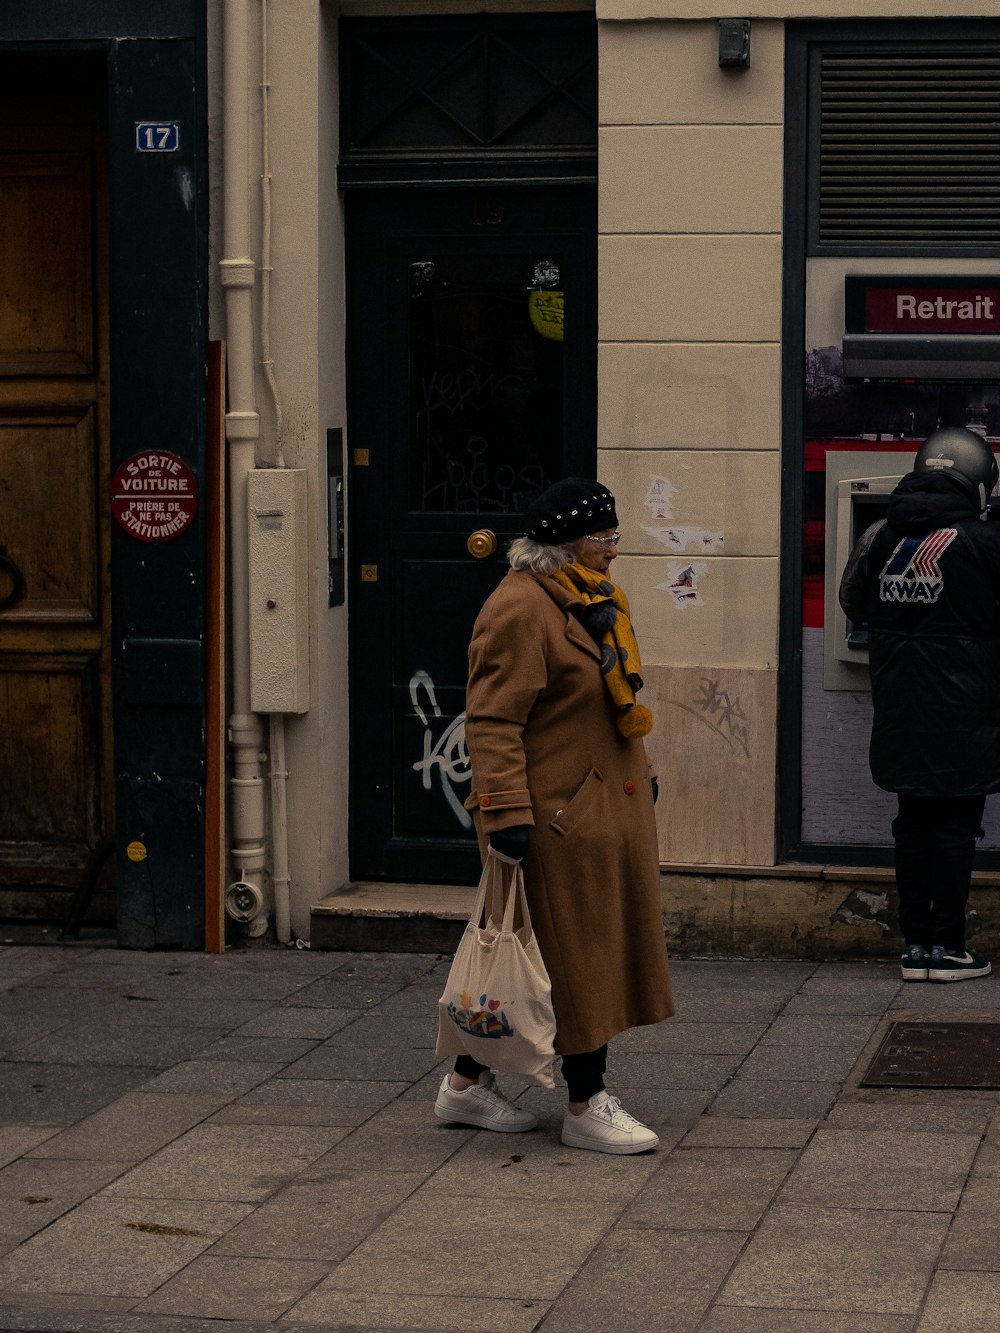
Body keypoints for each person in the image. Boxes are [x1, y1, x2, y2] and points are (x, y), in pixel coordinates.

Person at [434, 478, 674, 1153]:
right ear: (566, 542)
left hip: (595, 807)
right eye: (604, 539)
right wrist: (508, 813)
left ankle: (463, 1087)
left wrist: (643, 772)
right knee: (578, 962)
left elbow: (605, 703)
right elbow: (491, 720)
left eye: (615, 536)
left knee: (546, 958)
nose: (613, 551)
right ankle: (585, 1101)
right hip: (552, 819)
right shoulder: (520, 608)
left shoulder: (591, 599)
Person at [839, 426, 1000, 983]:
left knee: (912, 826)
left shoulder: (882, 532)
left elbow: (850, 598)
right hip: (967, 710)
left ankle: (916, 948)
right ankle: (949, 948)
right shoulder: (988, 541)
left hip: (900, 703)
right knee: (956, 828)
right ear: (978, 484)